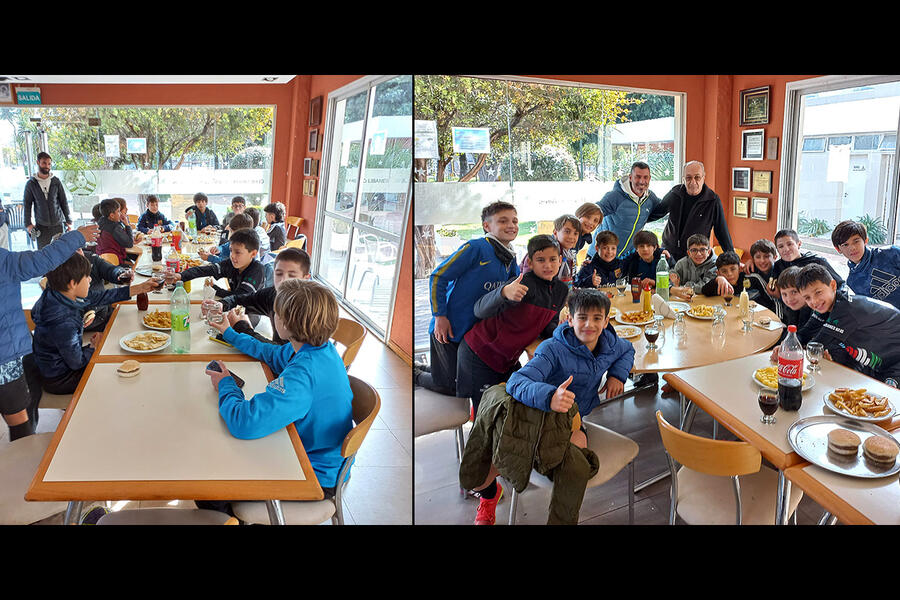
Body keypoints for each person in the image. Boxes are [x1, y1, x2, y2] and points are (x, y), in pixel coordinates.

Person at [460, 288, 634, 525]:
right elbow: (517, 382)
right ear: (569, 319)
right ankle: (497, 483)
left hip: (572, 420)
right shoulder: (552, 349)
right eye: (582, 318)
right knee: (480, 478)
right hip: (538, 416)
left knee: (578, 449)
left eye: (596, 318)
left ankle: (527, 471)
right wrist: (551, 395)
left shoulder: (612, 344)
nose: (589, 325)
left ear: (606, 321)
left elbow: (628, 350)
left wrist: (618, 376)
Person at [201, 278, 353, 517]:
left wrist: (226, 385)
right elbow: (270, 352)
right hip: (314, 455)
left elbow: (244, 423)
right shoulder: (318, 350)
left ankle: (233, 519)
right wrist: (230, 333)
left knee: (209, 485)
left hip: (311, 475)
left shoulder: (302, 376)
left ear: (286, 322)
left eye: (276, 312)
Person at [0, 223, 99, 440]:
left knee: (25, 408)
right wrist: (77, 237)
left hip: (19, 354)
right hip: (6, 358)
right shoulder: (3, 261)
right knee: (20, 420)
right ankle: (27, 465)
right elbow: (39, 262)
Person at [416, 200, 520, 396]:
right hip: (451, 329)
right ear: (486, 226)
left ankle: (430, 369)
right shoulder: (476, 247)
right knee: (448, 385)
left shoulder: (511, 256)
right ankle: (415, 372)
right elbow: (439, 276)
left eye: (515, 221)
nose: (511, 226)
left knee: (463, 380)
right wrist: (440, 316)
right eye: (503, 221)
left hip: (477, 336)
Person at [457, 235, 569, 414]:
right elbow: (479, 310)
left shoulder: (561, 290)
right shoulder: (520, 284)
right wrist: (503, 293)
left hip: (508, 358)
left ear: (560, 260)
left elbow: (548, 327)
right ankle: (418, 375)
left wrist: (566, 332)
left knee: (516, 404)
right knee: (485, 412)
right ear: (530, 263)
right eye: (541, 260)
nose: (548, 265)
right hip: (479, 353)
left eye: (552, 259)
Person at [31, 252, 159, 395]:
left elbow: (102, 296)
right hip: (61, 379)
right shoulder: (63, 321)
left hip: (58, 366)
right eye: (87, 276)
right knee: (117, 373)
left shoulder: (57, 294)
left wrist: (141, 288)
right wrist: (93, 347)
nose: (91, 280)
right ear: (73, 283)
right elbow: (77, 362)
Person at [797, 264, 900, 387]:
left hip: (895, 364)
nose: (814, 301)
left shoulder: (846, 309)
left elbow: (815, 347)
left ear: (833, 285)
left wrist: (790, 348)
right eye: (807, 298)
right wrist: (787, 343)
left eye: (818, 292)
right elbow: (804, 333)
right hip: (878, 362)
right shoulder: (827, 306)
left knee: (882, 401)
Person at [218, 247, 311, 345]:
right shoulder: (273, 294)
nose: (283, 280)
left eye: (292, 276)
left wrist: (242, 327)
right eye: (279, 274)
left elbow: (281, 353)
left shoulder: (308, 311)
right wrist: (221, 304)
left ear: (305, 278)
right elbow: (242, 299)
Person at [589, 161, 668, 259]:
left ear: (650, 178)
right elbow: (594, 213)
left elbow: (662, 210)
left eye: (645, 177)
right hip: (600, 256)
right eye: (638, 177)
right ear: (630, 177)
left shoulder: (650, 198)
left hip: (625, 259)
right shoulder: (615, 196)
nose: (642, 181)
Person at [660, 161, 734, 263]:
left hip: (696, 258)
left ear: (704, 177)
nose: (693, 182)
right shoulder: (674, 194)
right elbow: (656, 212)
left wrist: (733, 259)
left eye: (697, 177)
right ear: (683, 179)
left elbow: (722, 232)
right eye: (688, 178)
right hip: (669, 254)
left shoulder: (712, 200)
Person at [173, 228, 265, 298]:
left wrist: (216, 290)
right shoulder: (232, 263)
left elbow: (240, 297)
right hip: (235, 309)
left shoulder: (257, 269)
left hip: (251, 316)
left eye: (237, 252)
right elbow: (207, 270)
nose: (232, 255)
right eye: (231, 250)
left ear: (253, 254)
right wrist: (181, 276)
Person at [832, 219, 900, 310]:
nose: (852, 248)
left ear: (865, 241)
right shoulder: (852, 283)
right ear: (838, 249)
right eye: (845, 245)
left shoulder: (891, 253)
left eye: (856, 241)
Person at [23, 152, 73, 249]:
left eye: (49, 164)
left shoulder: (56, 181)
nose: (47, 166)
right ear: (38, 162)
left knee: (60, 252)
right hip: (42, 226)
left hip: (58, 224)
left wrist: (68, 220)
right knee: (43, 254)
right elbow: (27, 205)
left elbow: (63, 201)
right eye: (44, 163)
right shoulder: (31, 184)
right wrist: (28, 224)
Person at [769, 229, 845, 288]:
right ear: (777, 250)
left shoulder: (817, 262)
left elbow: (840, 284)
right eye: (781, 246)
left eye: (790, 244)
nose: (786, 249)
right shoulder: (777, 266)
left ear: (799, 244)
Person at [521, 214, 579, 289]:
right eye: (567, 232)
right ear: (555, 233)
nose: (572, 237)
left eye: (575, 233)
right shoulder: (544, 249)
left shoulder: (569, 253)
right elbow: (527, 279)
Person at [669, 233, 717, 298]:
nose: (699, 254)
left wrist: (684, 287)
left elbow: (706, 287)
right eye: (694, 250)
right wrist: (673, 283)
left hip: (708, 300)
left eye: (702, 249)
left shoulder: (715, 264)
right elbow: (671, 283)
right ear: (689, 253)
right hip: (685, 300)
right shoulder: (681, 263)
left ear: (708, 252)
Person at [95, 198, 137, 265]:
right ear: (112, 215)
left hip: (102, 259)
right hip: (115, 260)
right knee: (136, 263)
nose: (120, 214)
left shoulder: (100, 222)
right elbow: (129, 244)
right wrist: (127, 225)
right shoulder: (114, 227)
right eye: (118, 211)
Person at [743, 239, 778, 311]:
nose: (762, 261)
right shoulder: (751, 272)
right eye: (758, 257)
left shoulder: (779, 272)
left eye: (766, 256)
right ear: (753, 259)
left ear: (775, 257)